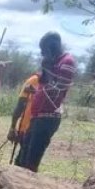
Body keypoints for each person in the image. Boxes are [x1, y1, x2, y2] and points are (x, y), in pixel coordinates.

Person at [16, 32, 76, 171]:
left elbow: (57, 92)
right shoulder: (52, 62)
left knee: (30, 163)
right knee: (21, 160)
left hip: (48, 118)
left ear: (51, 47)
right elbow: (43, 85)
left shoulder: (67, 62)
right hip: (38, 117)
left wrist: (47, 69)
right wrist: (46, 68)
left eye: (44, 50)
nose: (42, 54)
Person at [7, 71, 40, 167]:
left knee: (25, 162)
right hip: (26, 129)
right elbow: (20, 105)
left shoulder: (53, 84)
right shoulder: (33, 80)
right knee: (23, 162)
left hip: (38, 129)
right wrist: (13, 128)